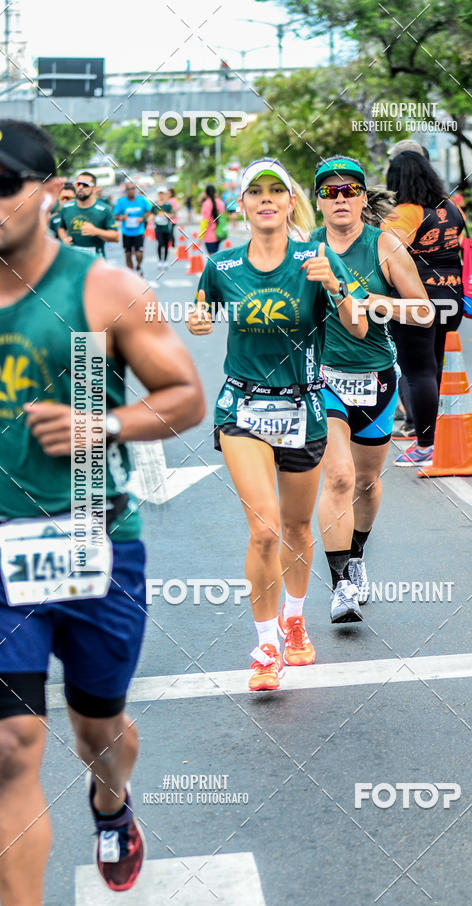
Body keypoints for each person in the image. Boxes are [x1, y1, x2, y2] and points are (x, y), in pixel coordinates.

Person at [0, 119, 206, 901]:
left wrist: (104, 423)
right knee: (13, 748)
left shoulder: (104, 287)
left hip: (93, 542)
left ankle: (111, 803)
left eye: (5, 184)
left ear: (52, 191)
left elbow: (185, 396)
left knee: (98, 732)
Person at [187, 158, 369, 691]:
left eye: (276, 191)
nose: (266, 199)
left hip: (304, 409)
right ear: (241, 205)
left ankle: (294, 615)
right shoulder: (220, 267)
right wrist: (197, 320)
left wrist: (335, 283)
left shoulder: (316, 259)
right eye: (255, 192)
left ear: (291, 203)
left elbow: (357, 328)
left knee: (294, 527)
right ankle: (265, 645)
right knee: (263, 528)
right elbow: (202, 315)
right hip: (241, 408)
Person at [312, 156, 433, 621]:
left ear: (364, 198)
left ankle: (356, 556)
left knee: (365, 480)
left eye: (349, 191)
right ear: (318, 201)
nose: (340, 199)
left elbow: (424, 312)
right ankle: (342, 583)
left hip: (379, 376)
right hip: (324, 377)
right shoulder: (307, 249)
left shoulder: (384, 245)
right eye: (330, 192)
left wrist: (378, 302)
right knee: (339, 476)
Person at [381, 150, 466, 466]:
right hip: (452, 295)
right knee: (434, 368)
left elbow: (386, 257)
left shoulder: (404, 213)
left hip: (417, 299)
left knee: (418, 372)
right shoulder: (451, 207)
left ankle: (425, 445)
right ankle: (435, 440)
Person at [58, 171, 119, 257]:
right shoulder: (66, 208)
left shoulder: (103, 209)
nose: (81, 187)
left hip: (95, 262)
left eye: (85, 184)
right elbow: (61, 228)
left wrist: (96, 231)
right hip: (74, 260)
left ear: (94, 189)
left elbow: (116, 237)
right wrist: (64, 238)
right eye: (78, 184)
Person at [113, 181, 153, 274]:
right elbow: (115, 215)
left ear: (135, 190)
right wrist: (121, 217)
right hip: (126, 232)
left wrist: (142, 218)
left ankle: (138, 265)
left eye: (132, 189)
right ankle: (132, 274)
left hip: (139, 231)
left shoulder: (142, 200)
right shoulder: (121, 201)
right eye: (128, 189)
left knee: (139, 254)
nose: (131, 191)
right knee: (128, 254)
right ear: (126, 191)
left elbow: (149, 211)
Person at [199, 184, 226, 256]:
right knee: (215, 256)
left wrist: (201, 236)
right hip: (219, 233)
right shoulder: (220, 203)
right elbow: (223, 218)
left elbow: (205, 222)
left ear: (206, 193)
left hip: (209, 235)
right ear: (215, 192)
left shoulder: (206, 204)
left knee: (212, 258)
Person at [152, 188, 174, 268]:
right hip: (158, 228)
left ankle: (164, 261)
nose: (161, 195)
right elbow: (151, 215)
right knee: (160, 243)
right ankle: (159, 260)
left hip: (166, 228)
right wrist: (154, 217)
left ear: (165, 195)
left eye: (163, 193)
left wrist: (165, 214)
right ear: (158, 194)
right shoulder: (155, 205)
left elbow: (172, 215)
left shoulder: (168, 205)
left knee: (165, 244)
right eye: (160, 193)